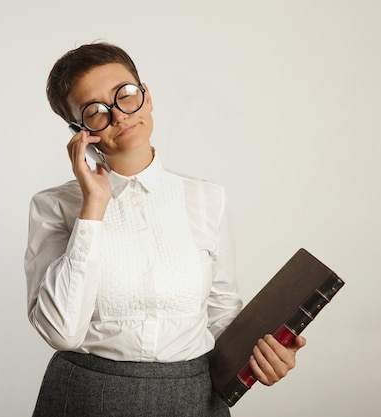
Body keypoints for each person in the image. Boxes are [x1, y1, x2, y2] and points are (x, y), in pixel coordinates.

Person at [24, 42, 306, 417]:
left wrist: (264, 358)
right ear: (79, 132)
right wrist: (93, 208)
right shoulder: (54, 207)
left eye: (125, 95)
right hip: (88, 396)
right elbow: (61, 331)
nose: (120, 115)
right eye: (95, 111)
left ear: (147, 96)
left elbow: (222, 315)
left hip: (194, 395)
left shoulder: (207, 199)